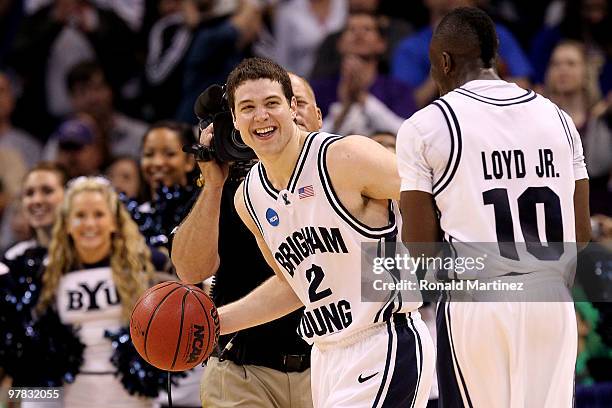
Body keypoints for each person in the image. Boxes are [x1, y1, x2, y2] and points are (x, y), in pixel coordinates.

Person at [174, 57, 434, 407]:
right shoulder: (248, 198)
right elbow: (290, 286)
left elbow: (432, 194)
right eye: (247, 108)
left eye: (271, 103)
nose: (261, 116)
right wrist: (215, 323)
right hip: (326, 356)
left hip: (383, 342)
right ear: (234, 120)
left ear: (292, 107)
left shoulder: (345, 156)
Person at [396, 7, 591, 407]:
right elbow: (581, 233)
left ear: (444, 62)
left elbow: (420, 252)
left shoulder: (426, 125)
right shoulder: (558, 117)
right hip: (550, 300)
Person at [172, 72, 321, 408]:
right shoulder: (232, 184)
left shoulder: (342, 173)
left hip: (331, 363)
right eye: (252, 107)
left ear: (317, 115)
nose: (273, 116)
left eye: (285, 103)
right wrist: (212, 185)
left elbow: (388, 278)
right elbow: (190, 271)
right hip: (242, 371)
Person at [34, 176, 156, 407]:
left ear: (114, 221)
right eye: (80, 216)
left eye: (99, 214)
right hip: (74, 396)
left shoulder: (146, 264)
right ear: (67, 223)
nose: (90, 224)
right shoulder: (48, 273)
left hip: (133, 397)